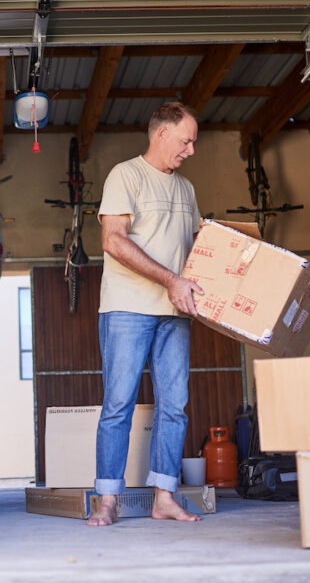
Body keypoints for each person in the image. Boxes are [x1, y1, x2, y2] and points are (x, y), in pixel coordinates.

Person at [87, 101, 204, 527]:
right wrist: (170, 280)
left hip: (175, 312)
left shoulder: (186, 190)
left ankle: (164, 498)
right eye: (186, 141)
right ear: (162, 134)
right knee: (118, 404)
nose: (190, 150)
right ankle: (108, 501)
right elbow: (113, 240)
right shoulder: (126, 175)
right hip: (127, 308)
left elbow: (195, 251)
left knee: (175, 406)